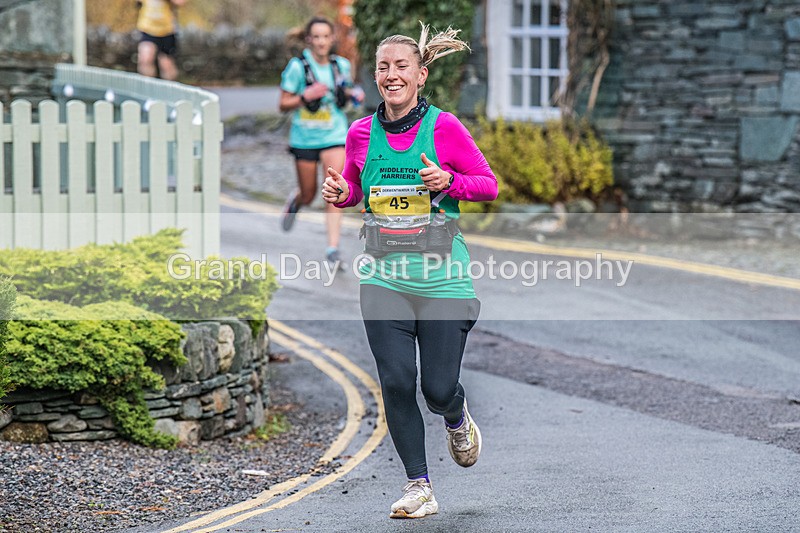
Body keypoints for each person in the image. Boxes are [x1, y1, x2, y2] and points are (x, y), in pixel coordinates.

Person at [322, 23, 498, 518]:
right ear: (375, 76)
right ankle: (419, 486)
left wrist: (451, 180)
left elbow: (488, 185)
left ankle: (456, 414)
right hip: (383, 276)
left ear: (421, 75)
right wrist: (343, 195)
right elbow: (357, 188)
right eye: (383, 67)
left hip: (442, 278)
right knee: (396, 381)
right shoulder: (360, 133)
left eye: (401, 67)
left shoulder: (444, 128)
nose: (391, 75)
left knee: (437, 388)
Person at [278, 16, 364, 266]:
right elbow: (283, 104)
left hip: (334, 135)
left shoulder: (342, 66)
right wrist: (305, 96)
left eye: (326, 36)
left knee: (335, 189)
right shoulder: (297, 67)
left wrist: (354, 94)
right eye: (316, 37)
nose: (322, 42)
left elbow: (345, 91)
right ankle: (297, 200)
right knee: (309, 194)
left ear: (332, 39)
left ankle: (332, 249)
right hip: (304, 138)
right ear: (309, 40)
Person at [135, 0, 186, 81]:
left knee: (167, 65)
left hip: (166, 31)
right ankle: (148, 88)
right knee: (145, 59)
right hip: (148, 29)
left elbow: (181, 2)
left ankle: (170, 89)